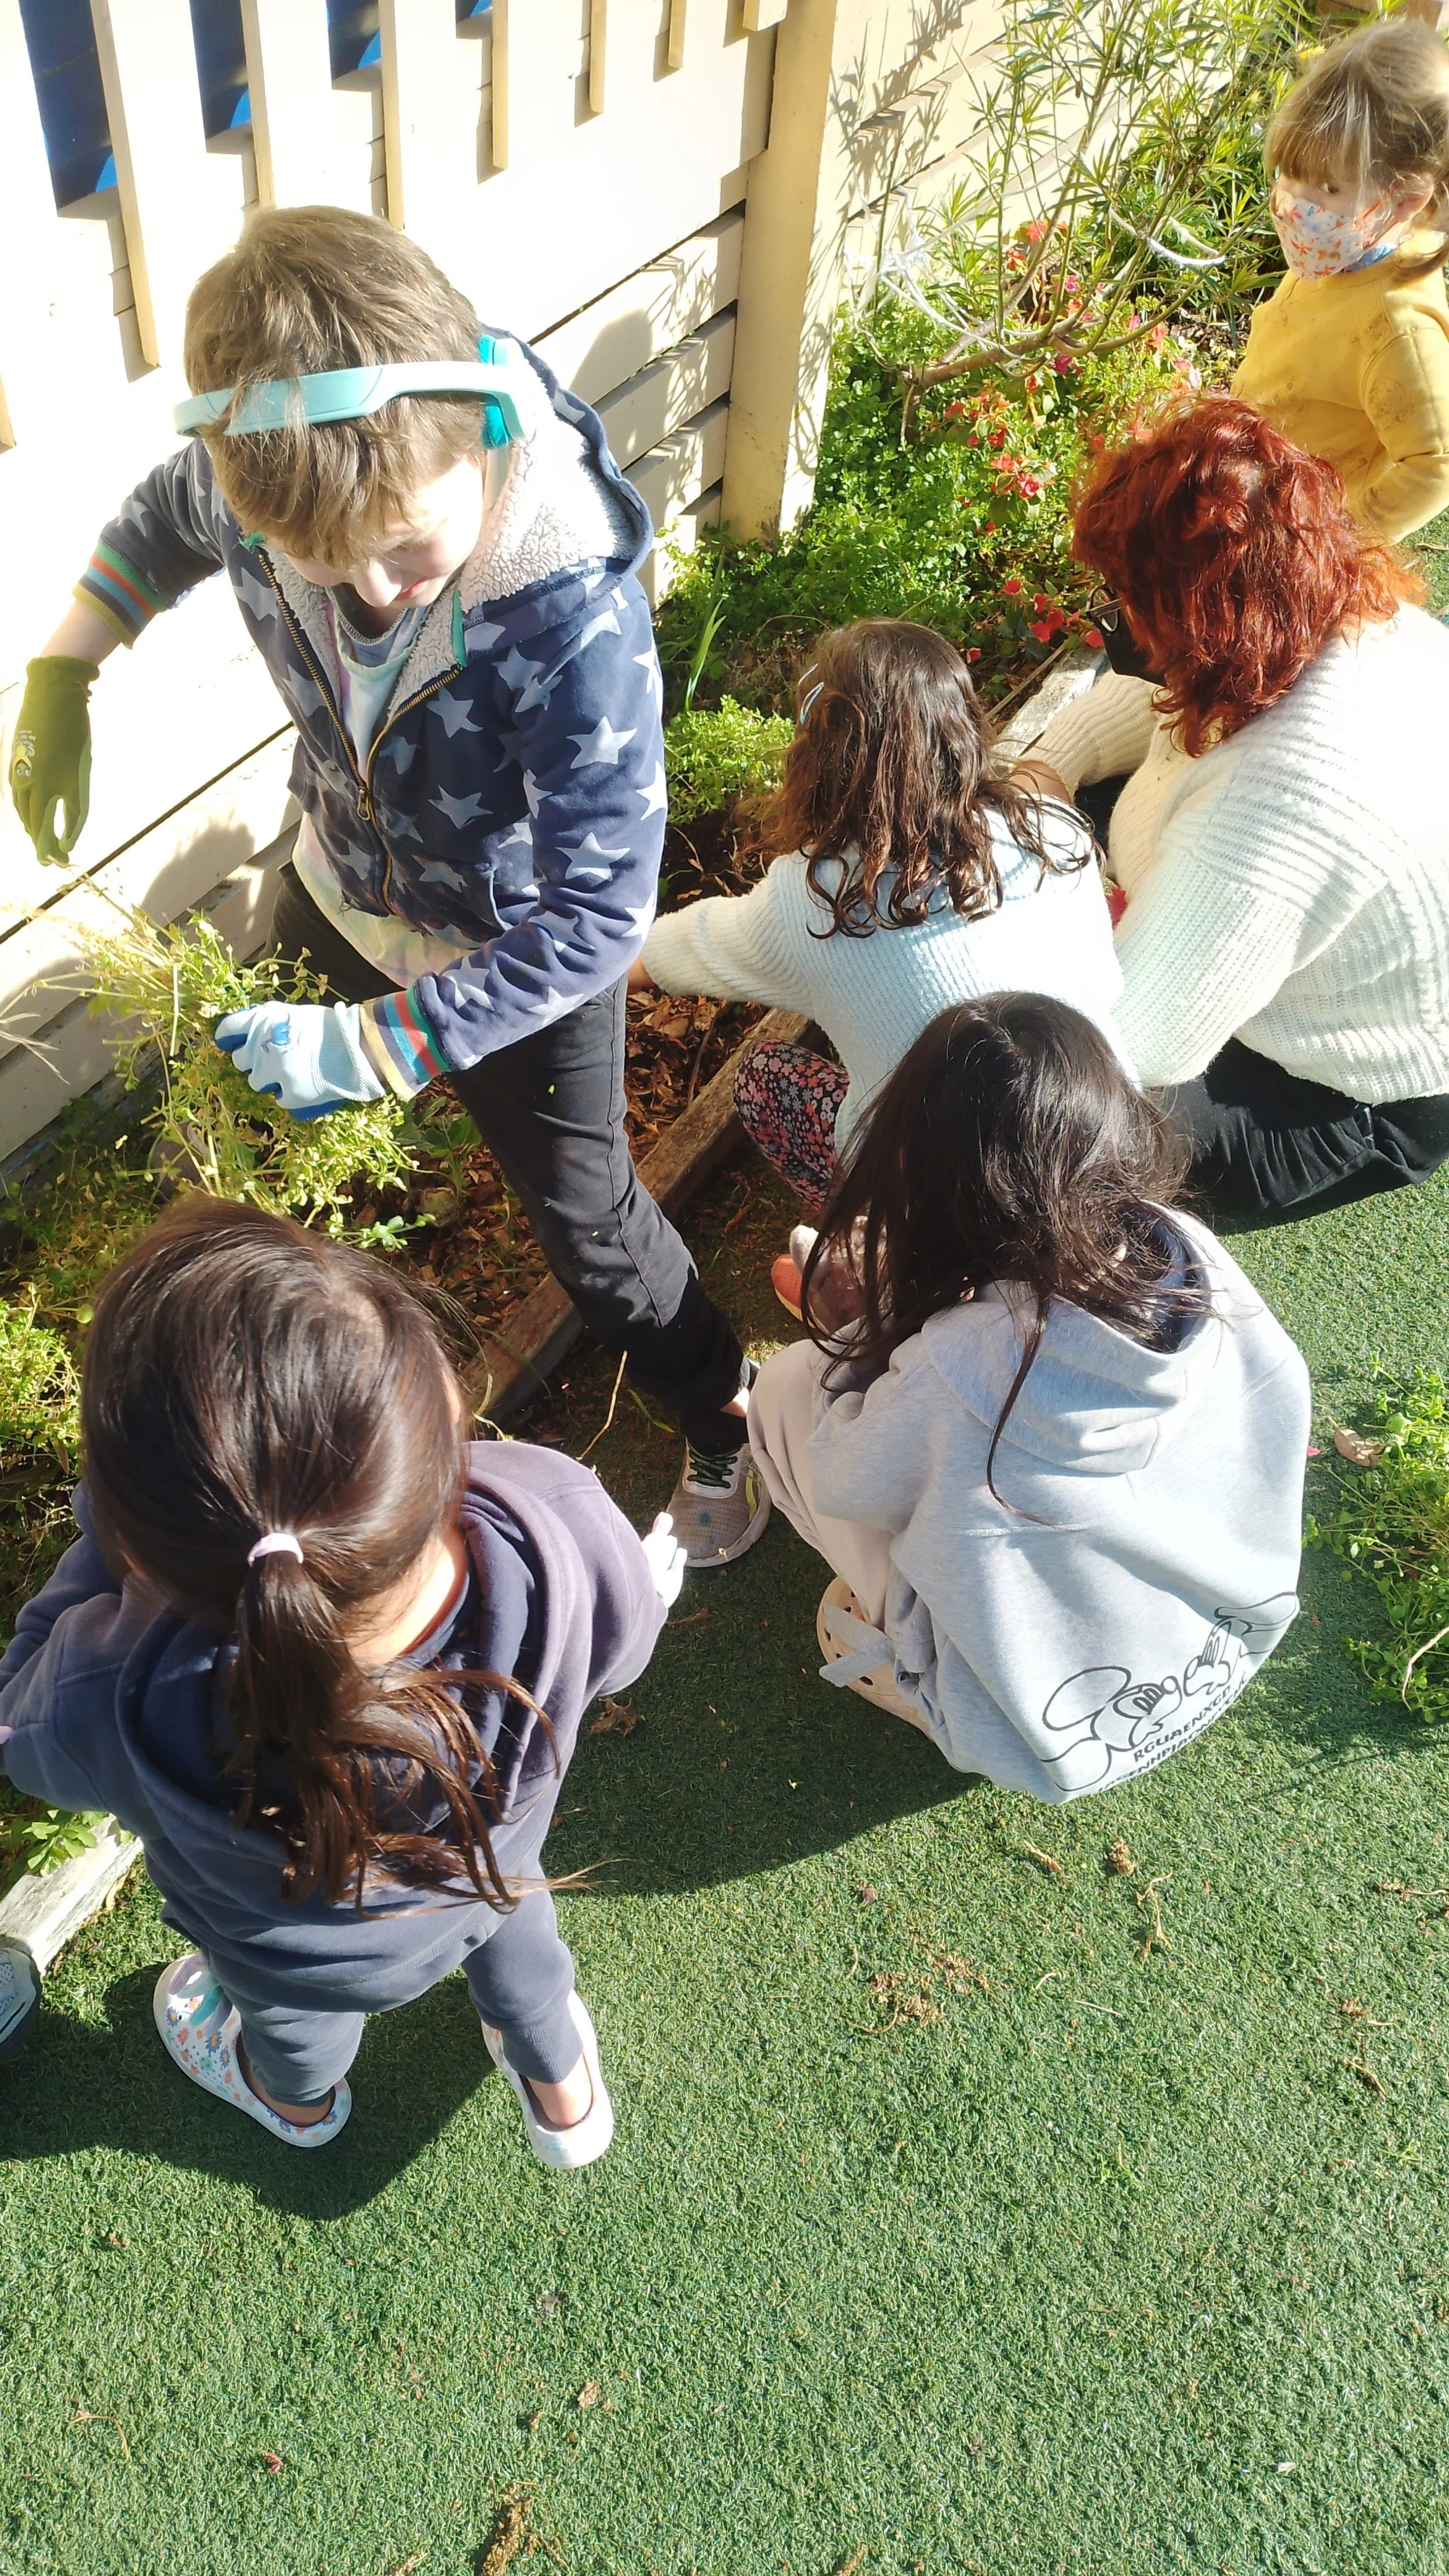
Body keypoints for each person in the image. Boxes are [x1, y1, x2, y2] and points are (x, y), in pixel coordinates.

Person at [5, 206, 766, 1568]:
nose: (368, 589)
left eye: (406, 551)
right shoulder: (277, 478)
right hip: (342, 886)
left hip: (518, 951)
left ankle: (726, 1414)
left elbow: (597, 913)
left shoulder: (566, 611)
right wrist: (70, 661)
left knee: (590, 1229)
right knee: (265, 1156)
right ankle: (325, 1409)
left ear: (472, 428)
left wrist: (381, 1043)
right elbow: (167, 517)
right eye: (316, 563)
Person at [0, 1197, 685, 2159]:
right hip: (487, 1870)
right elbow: (627, 1647)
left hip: (298, 1959)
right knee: (520, 1936)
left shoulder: (109, 1680)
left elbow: (22, 1732)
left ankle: (302, 2106)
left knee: (290, 2027)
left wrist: (104, 1543)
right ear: (444, 1413)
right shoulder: (555, 1516)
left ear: (145, 1549)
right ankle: (561, 2086)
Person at [748, 996, 1309, 1799]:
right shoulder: (1185, 1248)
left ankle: (918, 1678)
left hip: (1039, 1734)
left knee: (786, 1390)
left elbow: (844, 1474)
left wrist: (849, 1339)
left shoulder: (955, 1367)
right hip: (1226, 1633)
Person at [1021, 395, 1449, 1224]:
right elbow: (1149, 704)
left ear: (1205, 624)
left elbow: (1136, 1041)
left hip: (1346, 1091)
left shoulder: (1282, 797)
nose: (1112, 620)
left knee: (1054, 1129)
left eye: (1126, 600)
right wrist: (1046, 766)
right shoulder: (1346, 613)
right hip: (1340, 936)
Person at [632, 620, 1122, 1221]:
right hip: (1101, 1148)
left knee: (764, 1080)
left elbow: (669, 951)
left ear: (822, 758)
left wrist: (568, 964)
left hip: (943, 1213)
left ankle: (871, 1245)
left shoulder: (807, 898)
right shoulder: (1052, 830)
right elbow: (1105, 984)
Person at [1232, 13, 1449, 543]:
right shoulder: (1343, 247)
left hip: (1292, 531)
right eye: (1291, 171)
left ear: (1404, 200)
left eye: (1327, 186)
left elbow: (1436, 465)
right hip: (1255, 481)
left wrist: (1335, 543)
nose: (1294, 204)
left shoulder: (1400, 330)